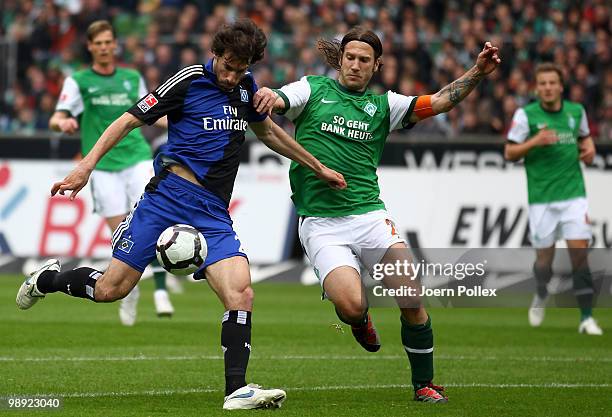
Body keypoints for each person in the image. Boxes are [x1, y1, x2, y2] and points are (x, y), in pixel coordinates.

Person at [17, 19, 346, 409]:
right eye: (228, 66)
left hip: (212, 212)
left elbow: (270, 133)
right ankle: (48, 280)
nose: (232, 76)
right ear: (216, 53)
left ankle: (236, 390)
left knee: (241, 293)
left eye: (242, 69)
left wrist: (318, 167)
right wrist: (86, 166)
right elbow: (127, 120)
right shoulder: (188, 80)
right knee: (111, 289)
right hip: (166, 199)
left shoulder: (246, 88)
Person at [253, 28, 500, 403]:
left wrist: (478, 72)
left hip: (369, 217)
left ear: (376, 66)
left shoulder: (386, 107)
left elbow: (440, 102)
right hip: (321, 224)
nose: (355, 65)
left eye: (364, 60)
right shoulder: (313, 89)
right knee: (351, 306)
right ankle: (360, 320)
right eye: (350, 57)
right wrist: (271, 94)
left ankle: (424, 385)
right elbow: (283, 98)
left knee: (412, 298)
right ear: (341, 59)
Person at [49, 20, 174, 326]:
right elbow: (57, 116)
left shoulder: (132, 78)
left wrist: (183, 126)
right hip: (103, 167)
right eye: (98, 43)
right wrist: (62, 124)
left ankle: (160, 292)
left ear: (115, 45)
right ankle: (128, 291)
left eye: (109, 42)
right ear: (90, 46)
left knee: (153, 222)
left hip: (136, 158)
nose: (104, 47)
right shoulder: (78, 81)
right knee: (121, 236)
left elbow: (150, 115)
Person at [504, 62, 602, 335]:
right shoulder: (526, 115)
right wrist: (534, 142)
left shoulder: (576, 111)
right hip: (541, 200)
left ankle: (586, 318)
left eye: (552, 83)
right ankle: (541, 290)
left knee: (579, 254)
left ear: (561, 86)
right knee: (544, 262)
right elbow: (509, 153)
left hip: (573, 196)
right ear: (537, 88)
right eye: (542, 84)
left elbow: (585, 139)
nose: (547, 88)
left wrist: (590, 148)